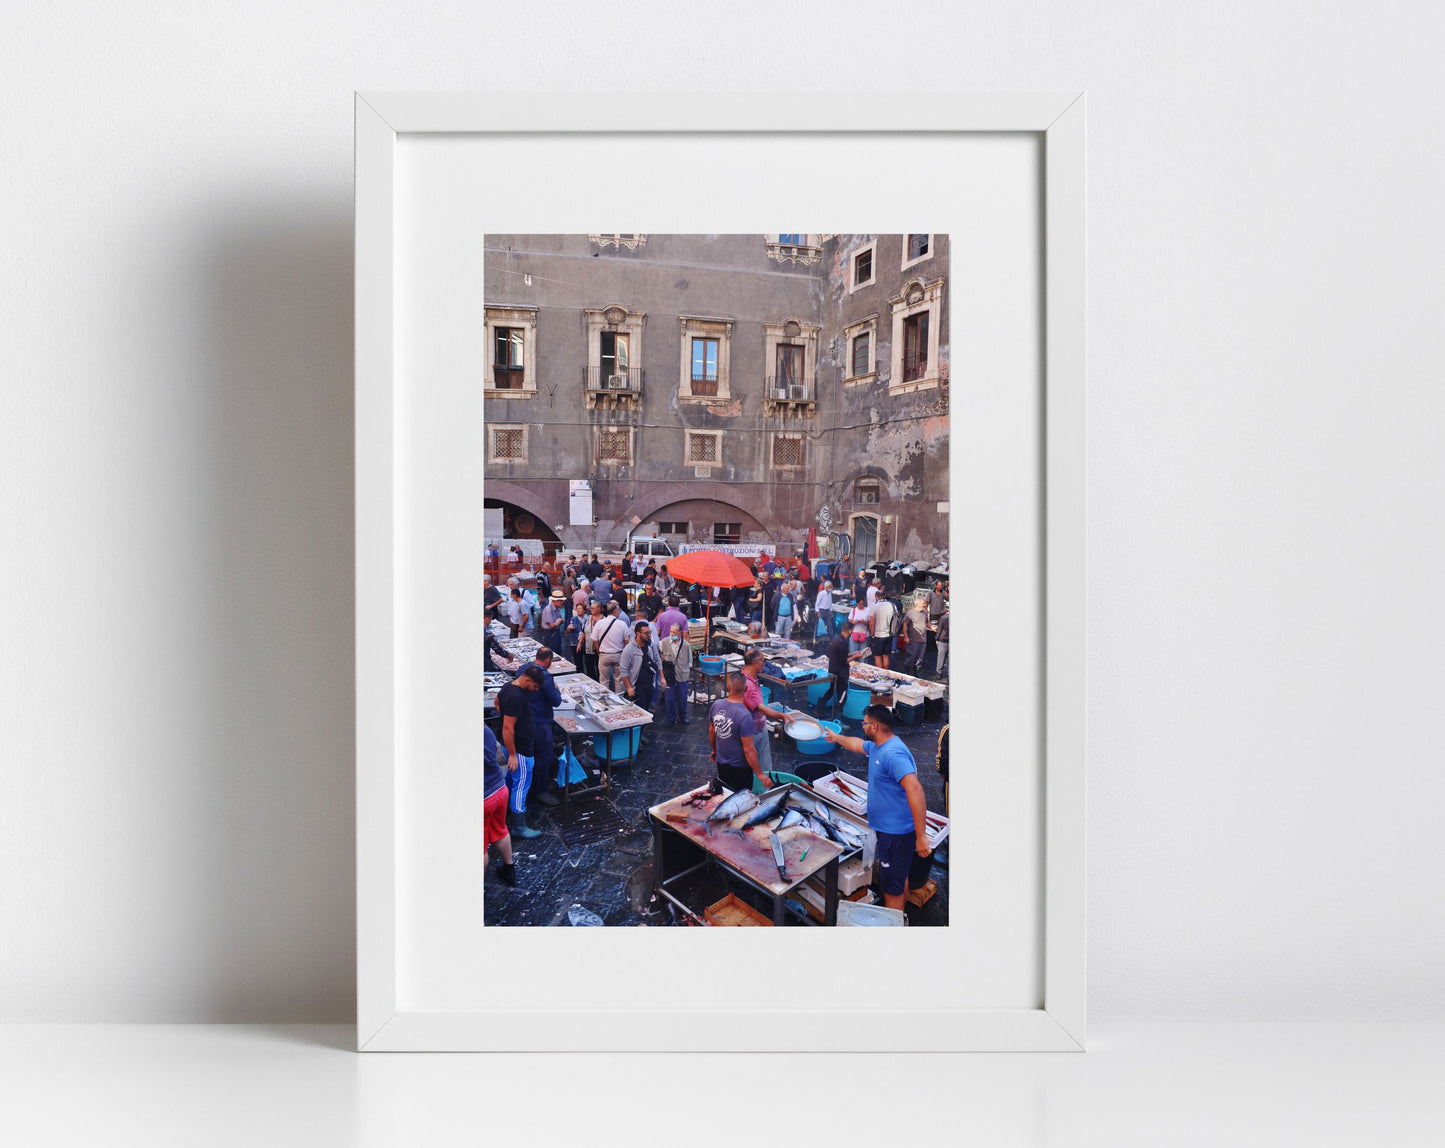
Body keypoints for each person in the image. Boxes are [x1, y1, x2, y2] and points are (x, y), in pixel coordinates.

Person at [822, 705, 931, 910]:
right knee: (899, 878)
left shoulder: (893, 753)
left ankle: (892, 924)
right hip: (888, 831)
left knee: (891, 890)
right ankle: (900, 916)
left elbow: (915, 790)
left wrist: (922, 836)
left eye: (864, 723)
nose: (862, 727)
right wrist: (836, 738)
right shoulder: (878, 746)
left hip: (896, 835)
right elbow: (857, 744)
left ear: (875, 726)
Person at [496, 665, 545, 839]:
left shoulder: (508, 687)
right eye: (535, 686)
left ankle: (505, 808)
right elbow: (508, 728)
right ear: (528, 680)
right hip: (520, 750)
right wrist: (512, 754)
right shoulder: (516, 697)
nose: (536, 690)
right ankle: (518, 826)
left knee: (511, 779)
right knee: (522, 784)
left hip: (514, 746)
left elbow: (496, 702)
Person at [709, 673, 770, 794]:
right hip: (740, 768)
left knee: (725, 794)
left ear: (728, 688)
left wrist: (714, 751)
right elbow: (748, 749)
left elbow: (712, 731)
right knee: (739, 799)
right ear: (746, 689)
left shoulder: (716, 705)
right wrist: (759, 773)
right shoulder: (745, 715)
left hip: (722, 763)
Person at [517, 648, 563, 807]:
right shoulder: (545, 676)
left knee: (529, 755)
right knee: (544, 756)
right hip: (540, 722)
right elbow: (556, 700)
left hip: (523, 720)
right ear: (548, 660)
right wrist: (557, 690)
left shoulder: (523, 669)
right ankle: (541, 791)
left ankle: (529, 786)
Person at [740, 647, 788, 778]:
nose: (765, 664)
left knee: (764, 764)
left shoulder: (747, 676)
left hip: (759, 727)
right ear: (755, 662)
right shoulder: (748, 685)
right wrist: (782, 715)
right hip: (753, 731)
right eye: (763, 661)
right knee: (756, 767)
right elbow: (760, 708)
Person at [483, 722, 516, 885]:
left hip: (482, 799)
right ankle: (509, 869)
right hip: (499, 789)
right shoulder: (485, 730)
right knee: (500, 829)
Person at [619, 620, 664, 718]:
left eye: (649, 632)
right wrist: (629, 687)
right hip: (637, 687)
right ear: (638, 633)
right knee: (639, 712)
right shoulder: (629, 649)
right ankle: (638, 732)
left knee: (646, 709)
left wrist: (662, 677)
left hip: (649, 685)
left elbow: (657, 660)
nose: (649, 635)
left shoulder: (650, 646)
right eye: (646, 633)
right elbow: (623, 670)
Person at [658, 622, 692, 724]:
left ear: (680, 633)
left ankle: (683, 716)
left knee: (682, 697)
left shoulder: (686, 645)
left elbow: (689, 661)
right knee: (670, 699)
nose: (672, 634)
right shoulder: (664, 642)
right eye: (671, 631)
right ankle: (671, 718)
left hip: (682, 675)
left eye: (674, 632)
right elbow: (658, 655)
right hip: (669, 675)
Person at [826, 629, 867, 714]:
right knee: (842, 696)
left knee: (831, 690)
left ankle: (818, 709)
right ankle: (838, 716)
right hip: (841, 673)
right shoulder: (843, 643)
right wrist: (856, 656)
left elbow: (841, 655)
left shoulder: (836, 639)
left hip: (833, 670)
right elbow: (844, 660)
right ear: (850, 631)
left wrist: (853, 653)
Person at [591, 603, 629, 694]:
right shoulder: (622, 624)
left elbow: (595, 641)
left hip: (604, 655)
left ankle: (604, 699)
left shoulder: (599, 623)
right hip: (618, 654)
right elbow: (627, 641)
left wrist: (599, 652)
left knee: (604, 680)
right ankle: (620, 700)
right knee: (619, 680)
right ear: (615, 612)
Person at [902, 597, 930, 676]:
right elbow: (904, 625)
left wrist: (932, 627)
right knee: (911, 657)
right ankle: (906, 672)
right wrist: (906, 636)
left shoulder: (924, 613)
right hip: (913, 639)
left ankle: (916, 673)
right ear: (917, 603)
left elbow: (927, 623)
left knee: (920, 658)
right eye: (923, 603)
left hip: (923, 639)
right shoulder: (910, 613)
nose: (925, 604)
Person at [869, 594, 896, 670]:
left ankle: (880, 676)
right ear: (884, 596)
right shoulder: (892, 605)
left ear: (876, 597)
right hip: (889, 635)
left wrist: (872, 634)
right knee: (886, 656)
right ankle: (886, 674)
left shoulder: (874, 606)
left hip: (878, 635)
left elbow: (871, 622)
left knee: (877, 656)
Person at [581, 601, 605, 680]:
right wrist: (579, 643)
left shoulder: (604, 620)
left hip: (599, 649)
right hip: (588, 648)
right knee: (589, 667)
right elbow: (583, 631)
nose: (591, 609)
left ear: (599, 609)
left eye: (593, 608)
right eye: (590, 608)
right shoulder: (588, 618)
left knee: (600, 669)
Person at [566, 601, 590, 674]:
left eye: (580, 608)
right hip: (575, 643)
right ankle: (580, 674)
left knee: (588, 662)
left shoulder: (589, 619)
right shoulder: (573, 619)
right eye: (577, 609)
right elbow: (568, 631)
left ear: (584, 610)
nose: (578, 610)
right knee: (578, 662)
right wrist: (568, 629)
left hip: (586, 643)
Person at [774, 576, 796, 641]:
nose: (789, 589)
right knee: (778, 633)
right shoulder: (777, 595)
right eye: (787, 588)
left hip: (788, 617)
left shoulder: (790, 595)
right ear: (783, 589)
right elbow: (772, 605)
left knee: (788, 633)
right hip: (780, 617)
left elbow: (792, 605)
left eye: (788, 588)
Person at [935, 605, 949, 678]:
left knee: (941, 657)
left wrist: (937, 639)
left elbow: (939, 630)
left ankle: (938, 673)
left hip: (943, 640)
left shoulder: (944, 618)